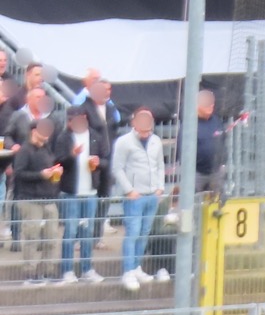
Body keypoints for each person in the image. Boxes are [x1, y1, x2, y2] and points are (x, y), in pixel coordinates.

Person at [111, 108, 167, 291]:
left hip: (152, 195)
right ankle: (128, 271)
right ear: (133, 121)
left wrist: (160, 187)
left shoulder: (156, 141)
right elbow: (117, 168)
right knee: (132, 233)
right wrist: (129, 190)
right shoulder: (124, 142)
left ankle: (137, 267)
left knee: (144, 233)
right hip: (135, 196)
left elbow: (160, 165)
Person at [56, 105, 106, 283]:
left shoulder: (95, 136)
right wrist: (72, 155)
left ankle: (87, 268)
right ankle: (67, 270)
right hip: (71, 192)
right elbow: (58, 162)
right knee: (70, 231)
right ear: (70, 122)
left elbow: (106, 160)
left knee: (88, 232)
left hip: (90, 191)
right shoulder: (63, 138)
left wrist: (98, 163)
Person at [13, 116, 63, 286]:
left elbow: (49, 166)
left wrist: (55, 171)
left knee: (51, 237)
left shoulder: (47, 148)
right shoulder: (25, 150)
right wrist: (40, 175)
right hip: (30, 199)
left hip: (49, 198)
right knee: (31, 237)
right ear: (34, 131)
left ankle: (48, 270)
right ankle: (30, 273)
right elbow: (19, 173)